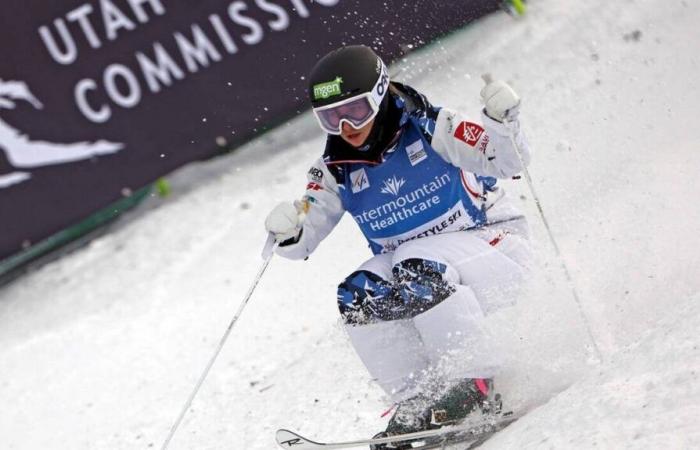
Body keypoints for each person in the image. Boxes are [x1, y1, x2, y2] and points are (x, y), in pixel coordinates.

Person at [264, 45, 531, 443]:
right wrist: (286, 231)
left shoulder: (432, 126)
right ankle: (418, 400)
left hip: (495, 250)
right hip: (424, 273)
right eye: (330, 118)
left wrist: (502, 122)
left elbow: (509, 163)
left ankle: (475, 383)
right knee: (357, 292)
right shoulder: (335, 169)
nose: (345, 128)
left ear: (380, 92)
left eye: (354, 110)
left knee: (414, 260)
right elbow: (299, 243)